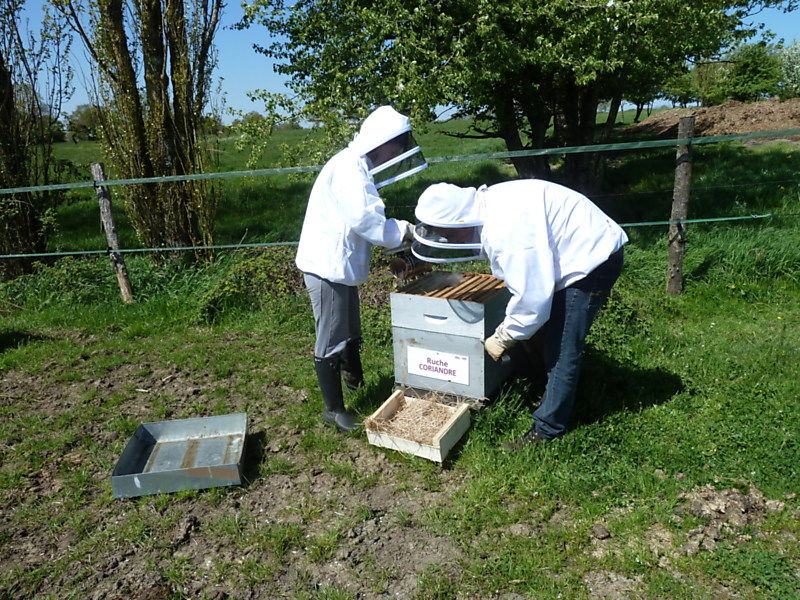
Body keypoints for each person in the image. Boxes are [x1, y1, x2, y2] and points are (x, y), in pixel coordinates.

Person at [412, 179, 627, 446]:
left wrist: (504, 336)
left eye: (447, 232)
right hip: (571, 247)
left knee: (562, 345)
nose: (446, 239)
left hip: (591, 259)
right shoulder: (489, 209)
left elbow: (533, 298)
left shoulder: (507, 230)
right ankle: (547, 388)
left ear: (458, 219)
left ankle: (548, 428)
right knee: (549, 333)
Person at [296, 106, 427, 432]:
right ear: (382, 141)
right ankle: (334, 410)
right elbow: (366, 220)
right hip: (327, 267)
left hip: (338, 263)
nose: (397, 151)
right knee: (331, 336)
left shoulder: (354, 165)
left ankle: (353, 378)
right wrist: (404, 230)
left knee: (349, 326)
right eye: (396, 144)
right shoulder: (349, 170)